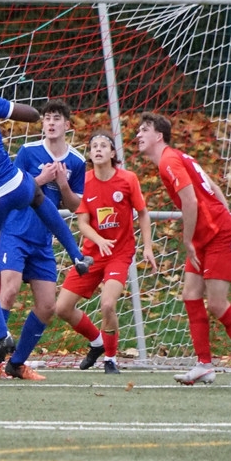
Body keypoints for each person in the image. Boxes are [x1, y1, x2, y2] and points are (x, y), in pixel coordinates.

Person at [0, 65, 93, 371]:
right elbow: (32, 114)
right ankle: (76, 254)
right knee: (37, 196)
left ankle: (2, 335)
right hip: (12, 185)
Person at [135, 112, 231, 386]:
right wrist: (220, 216)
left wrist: (189, 239)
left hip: (217, 237)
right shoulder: (178, 157)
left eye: (144, 130)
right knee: (191, 295)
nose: (138, 135)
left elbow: (190, 201)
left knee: (216, 303)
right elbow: (213, 187)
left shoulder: (169, 160)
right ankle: (204, 364)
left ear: (159, 136)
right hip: (208, 235)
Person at [0, 99, 87, 381]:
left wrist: (62, 184)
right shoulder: (28, 151)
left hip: (43, 241)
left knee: (47, 306)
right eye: (47, 118)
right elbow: (11, 190)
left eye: (56, 118)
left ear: (67, 125)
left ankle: (16, 363)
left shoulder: (77, 161)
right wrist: (41, 178)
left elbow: (75, 205)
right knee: (9, 290)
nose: (50, 123)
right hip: (15, 233)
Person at [56, 130, 158, 375]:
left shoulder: (128, 179)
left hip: (119, 254)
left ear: (113, 153)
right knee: (62, 308)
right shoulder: (84, 181)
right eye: (94, 146)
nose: (98, 149)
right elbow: (82, 223)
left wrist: (147, 246)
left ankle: (110, 359)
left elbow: (143, 213)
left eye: (104, 145)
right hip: (92, 254)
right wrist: (99, 240)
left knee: (108, 304)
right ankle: (97, 342)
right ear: (90, 154)